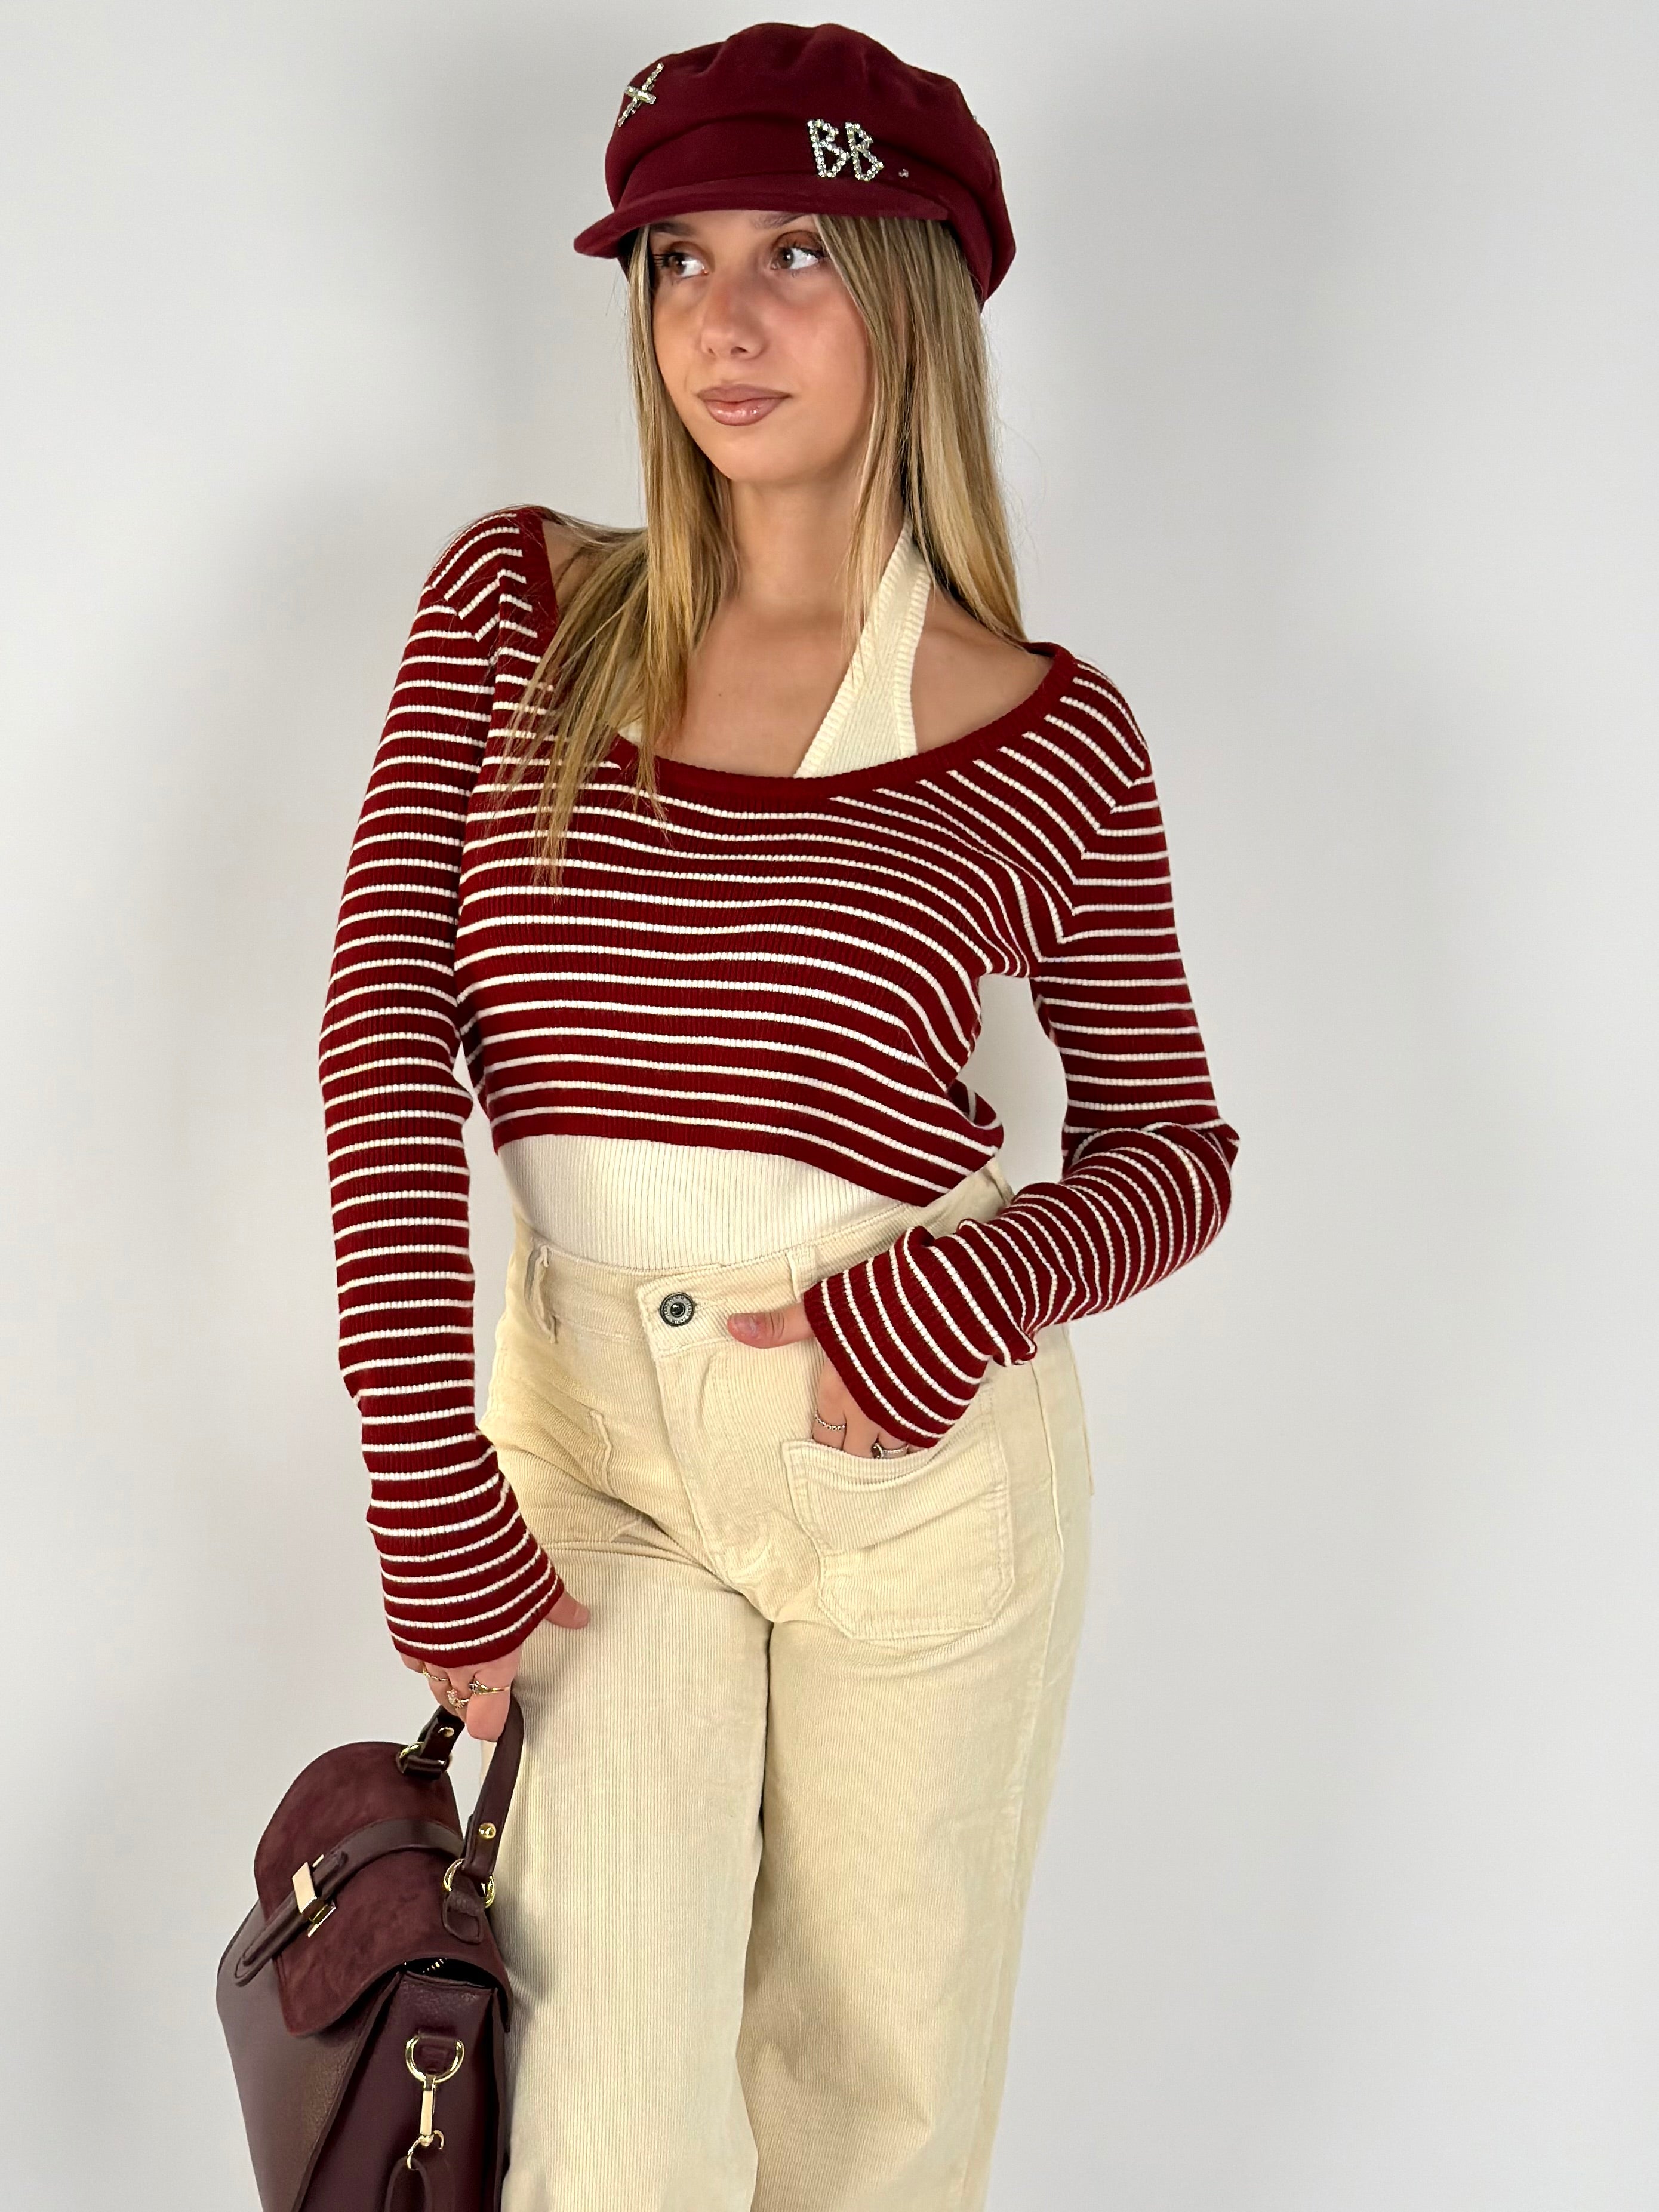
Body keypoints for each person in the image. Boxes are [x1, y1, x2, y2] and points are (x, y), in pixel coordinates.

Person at [320, 21, 1238, 2208]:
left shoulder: (1050, 734)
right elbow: (379, 1034)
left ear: (914, 287)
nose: (720, 319)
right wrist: (427, 1483)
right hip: (585, 1467)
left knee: (868, 2127)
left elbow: (1172, 1146)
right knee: (605, 2136)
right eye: (677, 260)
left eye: (797, 253)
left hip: (905, 1469)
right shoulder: (515, 608)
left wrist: (960, 1293)